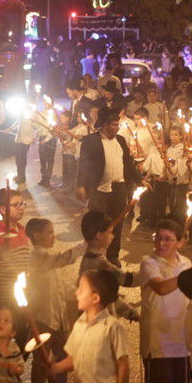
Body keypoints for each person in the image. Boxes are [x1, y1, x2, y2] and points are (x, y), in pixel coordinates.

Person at [137, 218, 192, 383]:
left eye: (168, 239)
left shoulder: (187, 264)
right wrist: (189, 276)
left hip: (182, 342)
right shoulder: (148, 263)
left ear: (180, 243)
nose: (161, 243)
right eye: (159, 238)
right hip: (157, 345)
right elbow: (162, 288)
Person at [52, 269, 131, 383]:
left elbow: (123, 364)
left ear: (95, 298)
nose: (76, 292)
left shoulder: (112, 327)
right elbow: (74, 359)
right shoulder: (79, 324)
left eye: (81, 288)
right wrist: (54, 368)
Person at [25, 217, 85, 383]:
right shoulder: (38, 257)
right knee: (42, 363)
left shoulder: (47, 255)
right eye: (49, 231)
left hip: (57, 317)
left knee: (63, 356)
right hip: (43, 318)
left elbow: (59, 285)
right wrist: (85, 245)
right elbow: (61, 259)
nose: (53, 235)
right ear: (37, 235)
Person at [77, 107, 137, 265]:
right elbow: (83, 164)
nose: (116, 128)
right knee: (97, 225)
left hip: (119, 189)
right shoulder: (91, 140)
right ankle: (93, 256)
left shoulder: (121, 140)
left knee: (117, 224)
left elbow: (128, 163)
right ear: (104, 125)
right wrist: (81, 185)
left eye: (118, 125)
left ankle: (113, 257)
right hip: (100, 189)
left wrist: (139, 179)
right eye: (113, 125)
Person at [0, 188, 31, 347]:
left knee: (21, 330)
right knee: (0, 334)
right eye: (16, 205)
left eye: (22, 203)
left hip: (19, 293)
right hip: (0, 293)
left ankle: (14, 363)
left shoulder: (23, 230)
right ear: (3, 209)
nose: (21, 207)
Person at [78, 210, 139, 320]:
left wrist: (129, 312)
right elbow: (128, 280)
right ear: (99, 236)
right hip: (99, 321)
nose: (113, 236)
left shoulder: (87, 258)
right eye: (110, 232)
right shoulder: (100, 264)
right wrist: (150, 271)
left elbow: (109, 295)